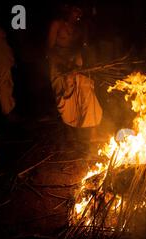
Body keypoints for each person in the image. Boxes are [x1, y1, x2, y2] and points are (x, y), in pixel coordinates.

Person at [47, 4, 102, 139]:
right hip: (58, 65)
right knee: (64, 97)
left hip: (75, 65)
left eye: (80, 12)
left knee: (86, 88)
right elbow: (49, 50)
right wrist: (64, 63)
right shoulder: (57, 25)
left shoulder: (81, 27)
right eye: (76, 11)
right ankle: (70, 132)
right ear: (68, 10)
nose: (78, 14)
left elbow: (84, 47)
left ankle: (93, 131)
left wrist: (81, 62)